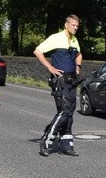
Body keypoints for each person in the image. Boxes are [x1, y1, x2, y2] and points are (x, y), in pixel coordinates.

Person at [34, 14, 83, 156]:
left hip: (71, 80)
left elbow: (79, 54)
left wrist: (78, 65)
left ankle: (66, 146)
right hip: (60, 81)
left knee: (70, 111)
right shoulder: (56, 38)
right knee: (64, 111)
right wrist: (50, 68)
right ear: (66, 25)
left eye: (77, 26)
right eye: (73, 25)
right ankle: (46, 140)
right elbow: (38, 51)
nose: (75, 28)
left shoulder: (74, 40)